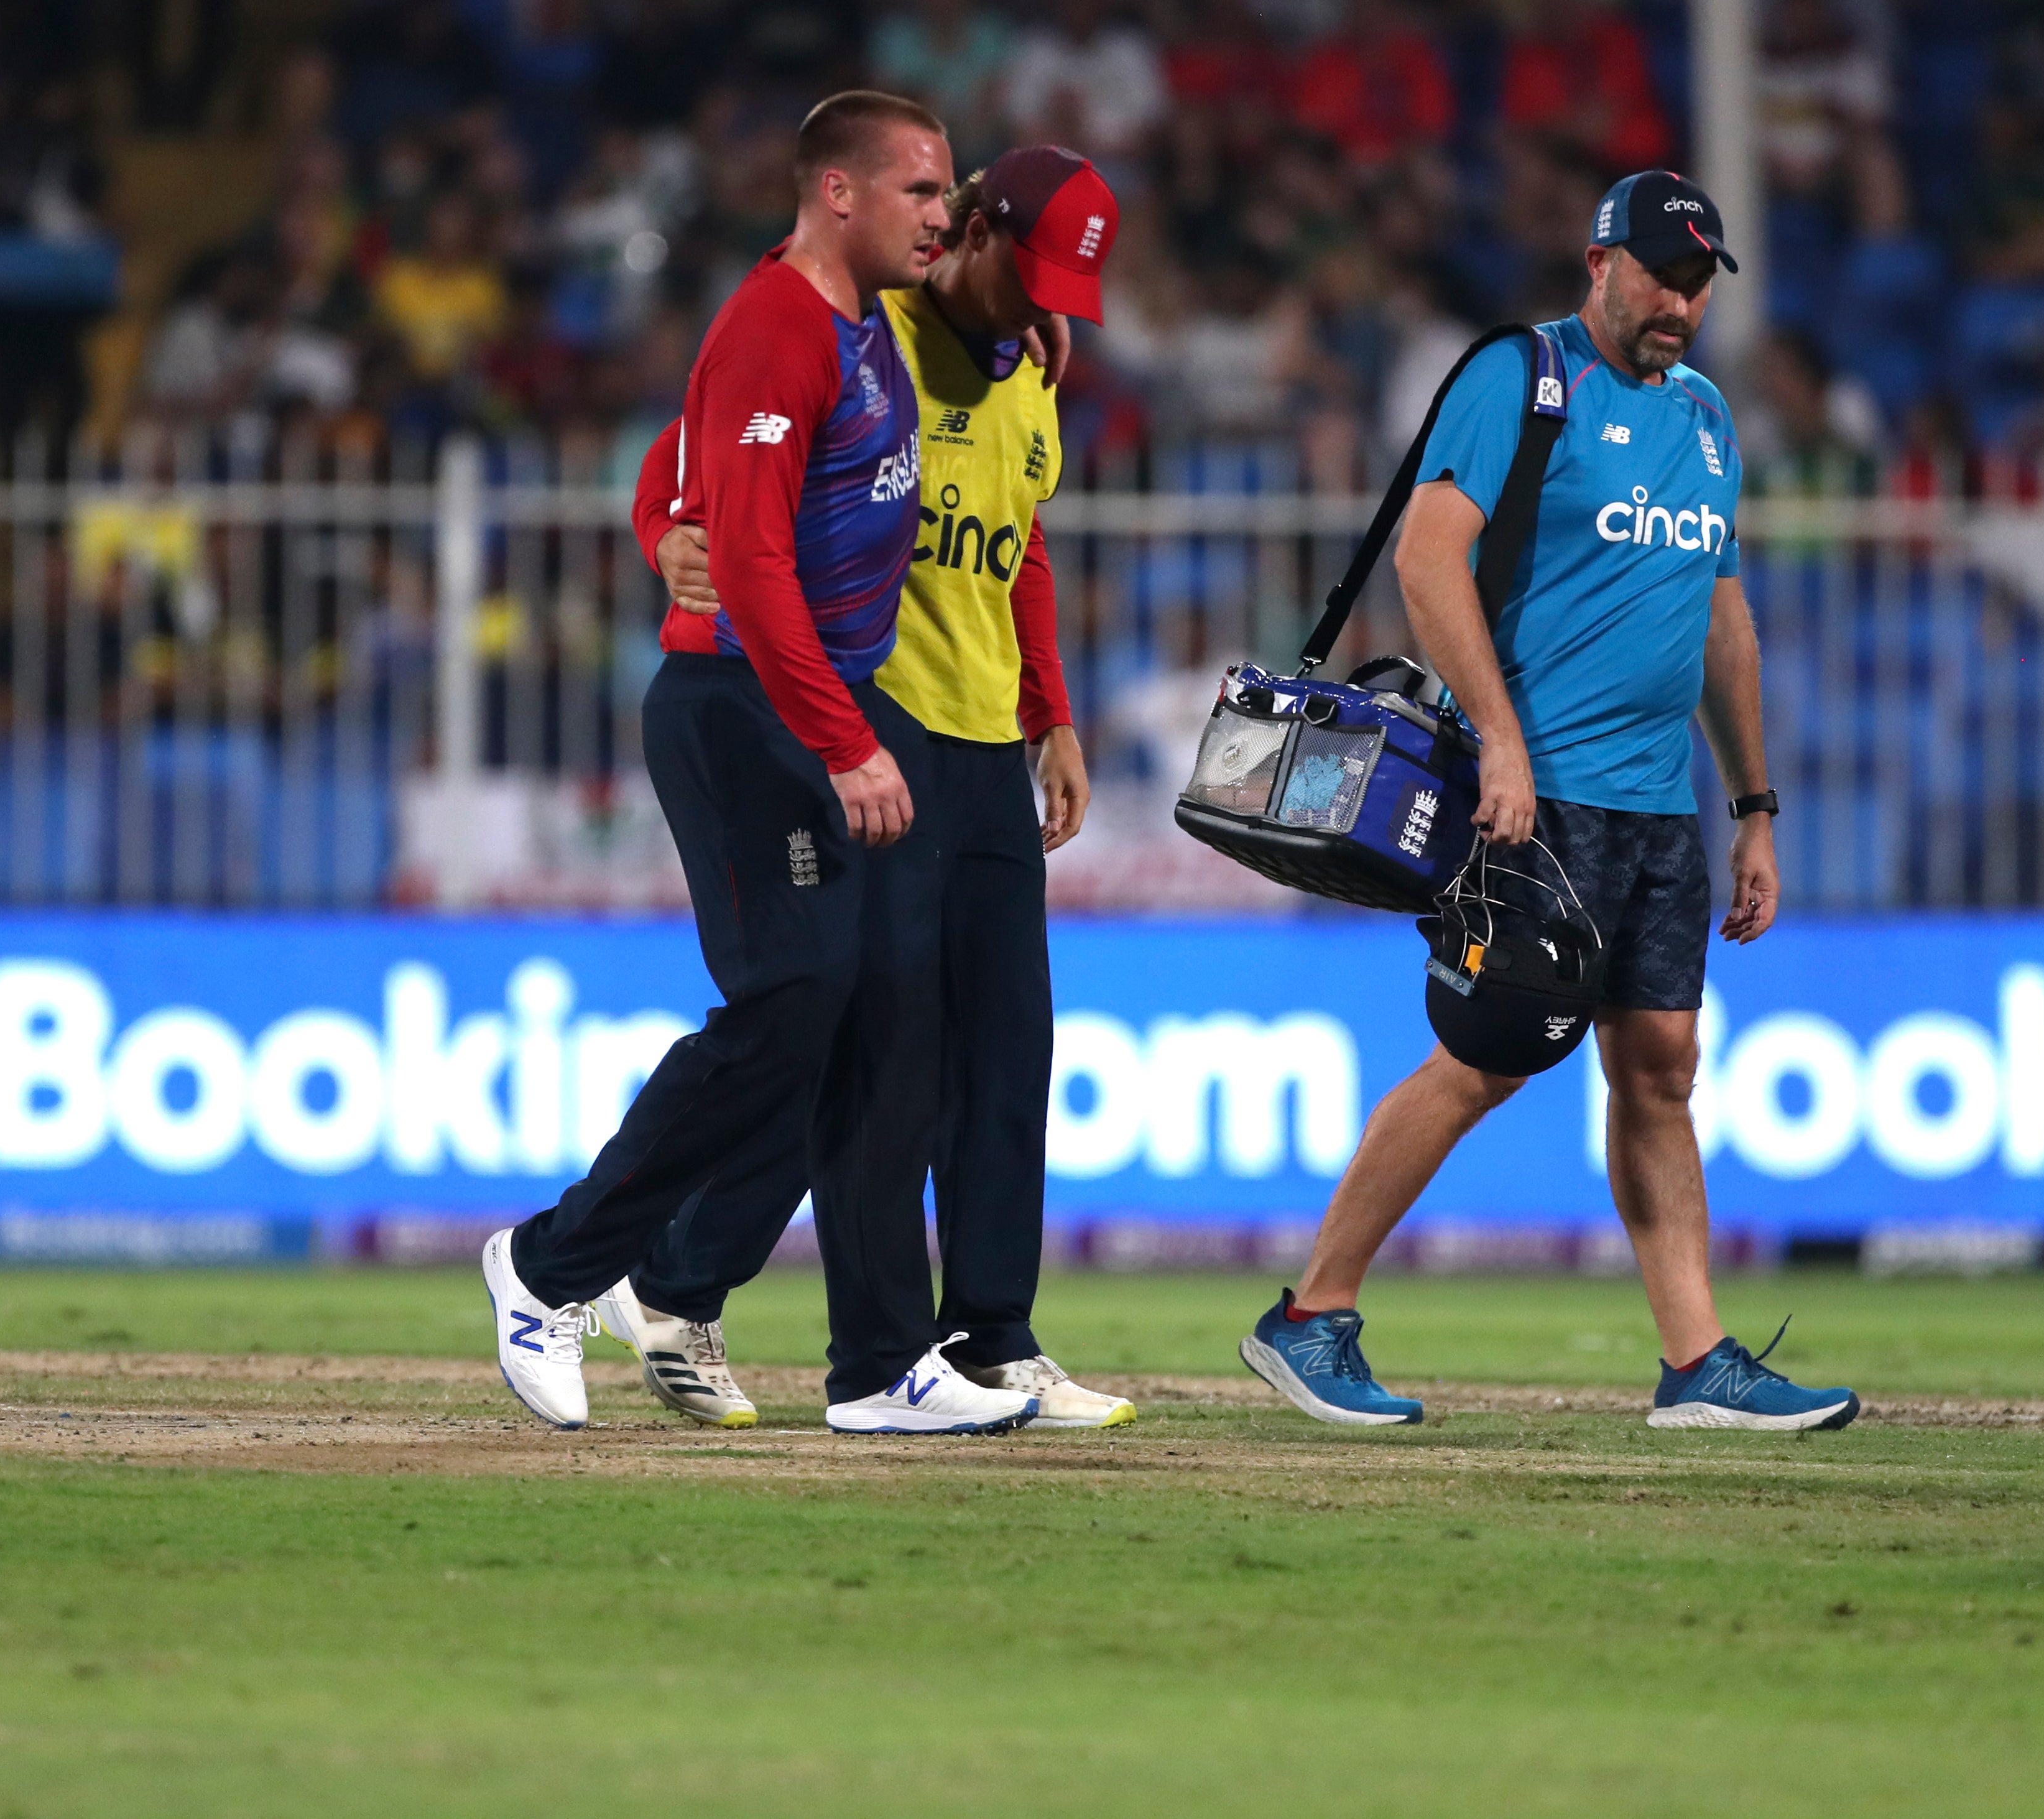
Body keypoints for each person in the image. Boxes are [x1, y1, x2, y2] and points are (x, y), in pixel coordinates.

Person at [1237, 172, 1859, 1433]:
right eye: (1659, 276)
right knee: (1484, 1061)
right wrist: (1502, 749)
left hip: (1655, 809)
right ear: (1598, 264)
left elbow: (1719, 616)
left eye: (1696, 283)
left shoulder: (1704, 418)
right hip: (1540, 800)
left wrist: (1751, 803)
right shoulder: (1520, 378)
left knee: (1661, 1069)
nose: (1678, 303)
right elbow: (1425, 555)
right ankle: (1309, 1315)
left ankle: (1696, 1364)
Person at [481, 91, 1037, 1438]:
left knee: (849, 1014)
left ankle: (863, 1360)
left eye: (949, 193)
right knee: (796, 996)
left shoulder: (864, 331)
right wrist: (843, 740)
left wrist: (668, 520)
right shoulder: (778, 322)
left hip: (809, 706)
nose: (941, 212)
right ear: (836, 193)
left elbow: (686, 474)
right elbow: (739, 550)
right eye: (918, 189)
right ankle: (549, 1267)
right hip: (746, 712)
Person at [611, 146, 1130, 1430]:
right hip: (872, 730)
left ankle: (992, 1340)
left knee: (1008, 1048)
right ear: (971, 230)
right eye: (1036, 273)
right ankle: (864, 1353)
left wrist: (1050, 711)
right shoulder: (852, 329)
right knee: (877, 1055)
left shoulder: (1038, 365)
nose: (1046, 305)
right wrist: (663, 537)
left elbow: (1021, 549)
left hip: (982, 742)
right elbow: (688, 467)